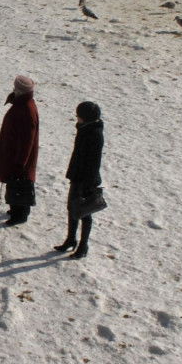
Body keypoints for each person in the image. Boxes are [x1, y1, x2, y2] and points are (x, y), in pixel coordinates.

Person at [55, 101, 105, 259]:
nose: (77, 117)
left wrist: (87, 185)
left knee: (85, 212)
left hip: (86, 181)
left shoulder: (94, 134)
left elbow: (93, 163)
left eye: (79, 115)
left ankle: (83, 246)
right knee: (72, 208)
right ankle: (71, 239)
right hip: (77, 177)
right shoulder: (84, 129)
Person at [0, 75, 39, 226]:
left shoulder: (27, 110)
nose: (13, 89)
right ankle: (16, 208)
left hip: (17, 157)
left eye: (16, 88)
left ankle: (20, 214)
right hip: (12, 152)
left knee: (19, 184)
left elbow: (27, 141)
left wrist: (20, 162)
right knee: (13, 183)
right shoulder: (23, 104)